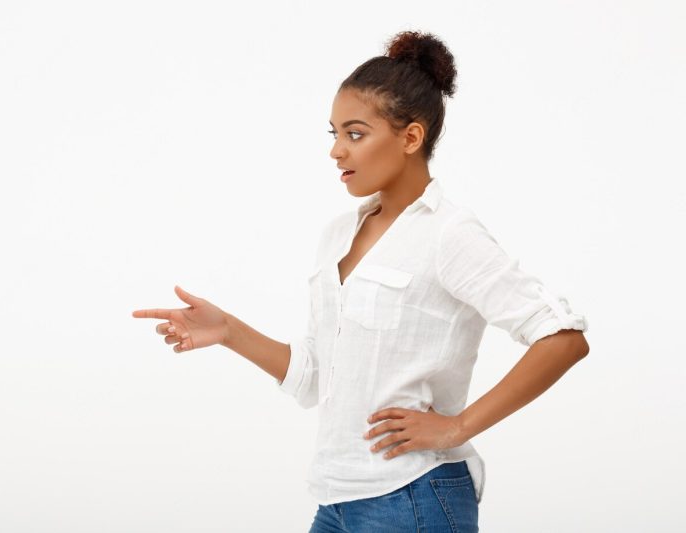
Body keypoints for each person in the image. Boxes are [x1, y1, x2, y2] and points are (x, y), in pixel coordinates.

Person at [132, 30, 590, 533]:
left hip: (414, 496)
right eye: (333, 134)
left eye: (355, 134)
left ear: (410, 138)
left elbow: (561, 339)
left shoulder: (449, 233)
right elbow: (316, 380)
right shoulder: (336, 236)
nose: (336, 152)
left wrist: (457, 426)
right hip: (337, 498)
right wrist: (228, 331)